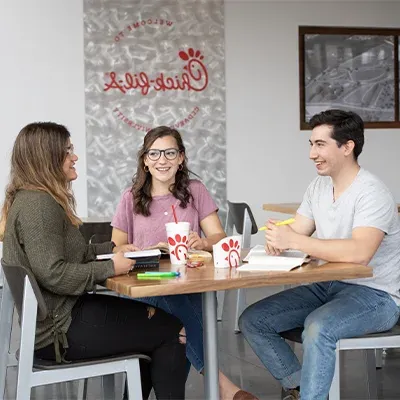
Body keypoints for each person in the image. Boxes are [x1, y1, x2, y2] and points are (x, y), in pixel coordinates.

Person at [0, 122, 187, 400]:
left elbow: (65, 254)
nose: (74, 156)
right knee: (174, 331)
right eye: (67, 151)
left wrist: (114, 249)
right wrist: (111, 267)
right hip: (59, 334)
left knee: (155, 327)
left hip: (60, 322)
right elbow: (53, 273)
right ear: (47, 158)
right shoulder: (39, 207)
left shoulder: (34, 200)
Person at [239, 110, 400, 400]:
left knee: (317, 328)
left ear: (347, 146)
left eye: (320, 144)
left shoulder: (372, 192)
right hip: (330, 286)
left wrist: (297, 240)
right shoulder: (318, 186)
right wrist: (280, 241)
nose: (312, 153)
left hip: (377, 297)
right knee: (254, 319)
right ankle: (304, 390)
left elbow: (360, 252)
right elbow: (298, 235)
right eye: (311, 145)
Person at [112, 126, 258, 400]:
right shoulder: (130, 198)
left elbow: (218, 237)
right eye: (154, 153)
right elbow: (116, 246)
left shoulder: (195, 191)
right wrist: (146, 250)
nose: (162, 160)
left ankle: (213, 380)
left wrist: (202, 243)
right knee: (177, 313)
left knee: (181, 309)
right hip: (146, 287)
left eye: (169, 153)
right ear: (144, 159)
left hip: (188, 283)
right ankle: (224, 388)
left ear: (181, 158)